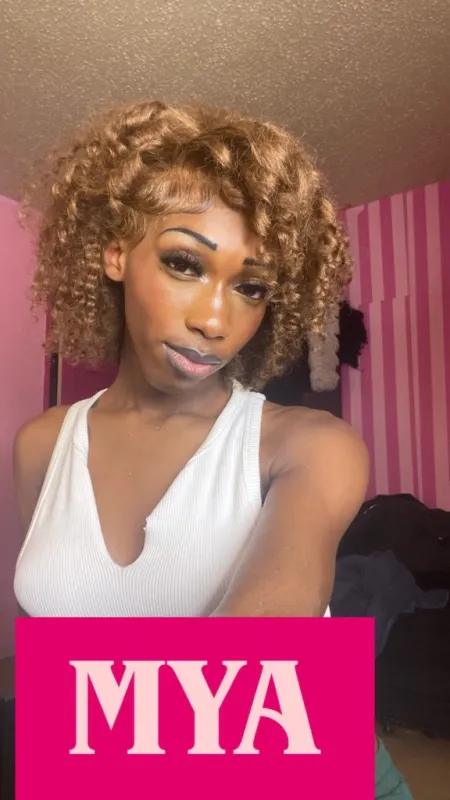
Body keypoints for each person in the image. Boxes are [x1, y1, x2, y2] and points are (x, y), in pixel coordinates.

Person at [13, 100, 369, 618]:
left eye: (251, 287)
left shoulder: (310, 447)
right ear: (117, 254)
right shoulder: (41, 445)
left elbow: (276, 628)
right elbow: (48, 654)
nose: (215, 322)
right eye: (184, 264)